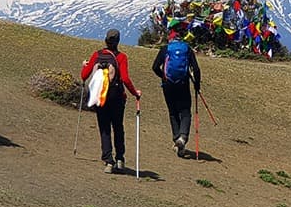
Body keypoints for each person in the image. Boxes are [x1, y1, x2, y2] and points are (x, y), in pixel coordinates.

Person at [81, 29, 141, 173]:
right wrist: (135, 93)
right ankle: (120, 159)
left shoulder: (97, 55)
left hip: (100, 97)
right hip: (117, 97)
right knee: (118, 127)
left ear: (105, 40)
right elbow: (125, 79)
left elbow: (84, 76)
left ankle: (108, 161)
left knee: (104, 128)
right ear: (118, 41)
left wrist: (84, 66)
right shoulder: (121, 57)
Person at [152, 29, 201, 157]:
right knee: (185, 112)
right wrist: (197, 84)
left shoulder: (166, 49)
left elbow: (155, 67)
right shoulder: (187, 49)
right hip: (183, 84)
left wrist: (163, 76)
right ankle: (183, 138)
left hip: (168, 84)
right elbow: (196, 69)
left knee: (173, 112)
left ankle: (176, 139)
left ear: (170, 39)